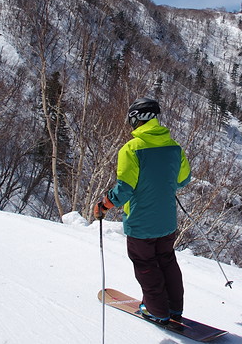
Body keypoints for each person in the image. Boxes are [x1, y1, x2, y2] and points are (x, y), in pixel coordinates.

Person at [94, 97, 191, 324]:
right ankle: (174, 309)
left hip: (141, 221)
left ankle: (157, 310)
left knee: (146, 264)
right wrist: (160, 184)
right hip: (167, 220)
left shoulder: (132, 149)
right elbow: (183, 179)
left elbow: (125, 189)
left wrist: (104, 205)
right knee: (167, 260)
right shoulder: (174, 147)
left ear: (136, 119)